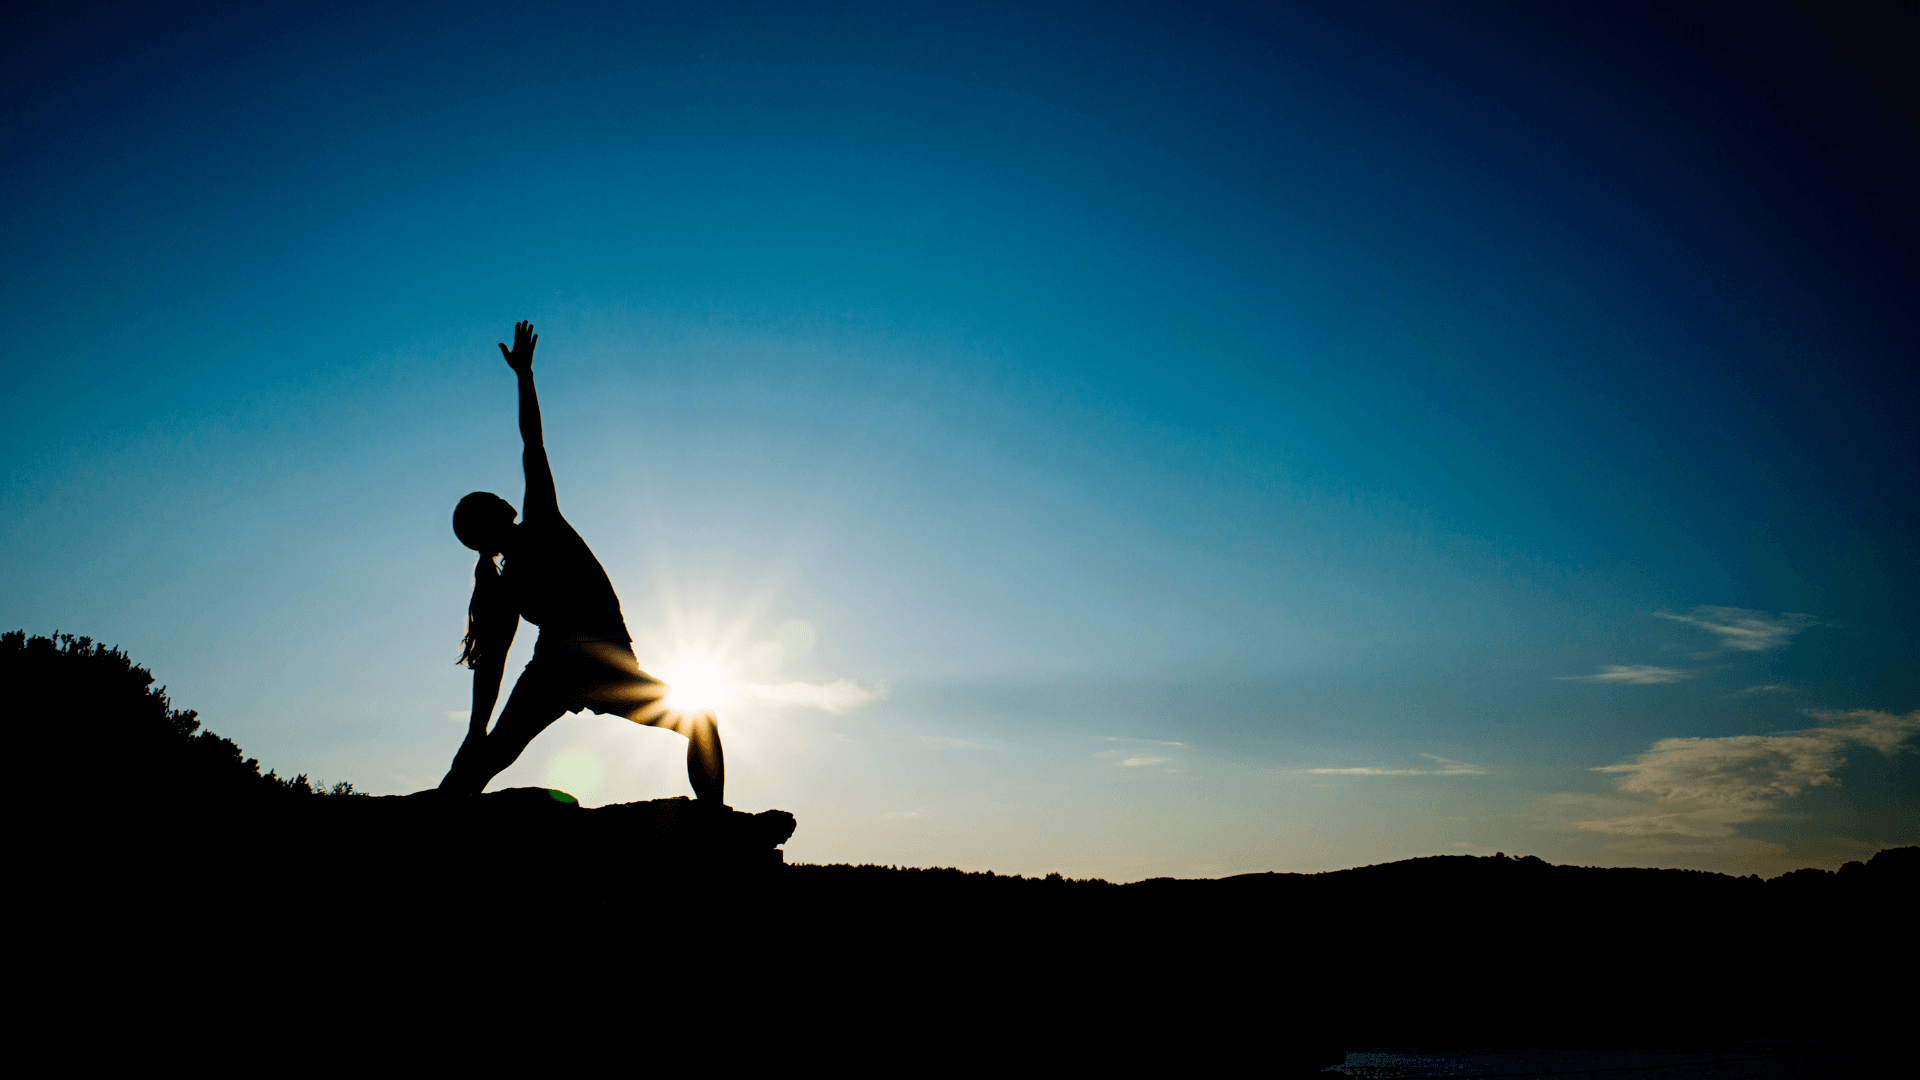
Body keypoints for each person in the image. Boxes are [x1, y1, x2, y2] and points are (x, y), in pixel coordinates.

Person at [440, 320, 724, 804]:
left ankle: (438, 815)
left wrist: (475, 732)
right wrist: (525, 379)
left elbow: (494, 662)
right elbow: (534, 445)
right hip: (602, 658)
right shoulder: (542, 522)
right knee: (701, 721)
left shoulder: (505, 582)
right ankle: (712, 824)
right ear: (503, 510)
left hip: (553, 665)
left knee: (489, 755)